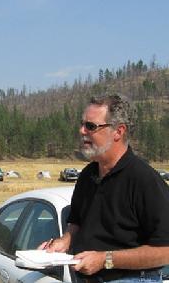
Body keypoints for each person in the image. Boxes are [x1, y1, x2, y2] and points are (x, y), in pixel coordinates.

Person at [42, 94, 169, 282]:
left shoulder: (144, 179)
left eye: (90, 126)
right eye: (82, 124)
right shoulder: (87, 175)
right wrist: (62, 243)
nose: (82, 131)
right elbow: (76, 223)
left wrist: (105, 260)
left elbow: (165, 251)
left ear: (118, 131)